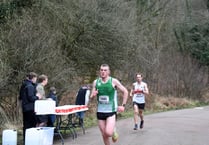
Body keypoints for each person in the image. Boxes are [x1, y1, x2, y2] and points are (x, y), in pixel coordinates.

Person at [90, 64, 128, 145]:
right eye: (101, 70)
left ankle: (113, 130)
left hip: (111, 111)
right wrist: (92, 95)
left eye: (105, 70)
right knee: (104, 135)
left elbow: (125, 91)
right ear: (99, 71)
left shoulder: (113, 81)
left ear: (109, 72)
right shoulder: (96, 82)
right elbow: (91, 98)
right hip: (100, 112)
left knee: (108, 133)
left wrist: (123, 105)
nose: (103, 72)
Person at [20, 72, 41, 142]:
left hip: (24, 108)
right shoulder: (30, 86)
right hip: (30, 108)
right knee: (32, 125)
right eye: (35, 79)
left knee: (26, 125)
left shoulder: (23, 85)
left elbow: (20, 97)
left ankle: (25, 140)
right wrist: (37, 97)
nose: (36, 80)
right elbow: (31, 98)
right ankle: (31, 140)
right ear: (33, 78)